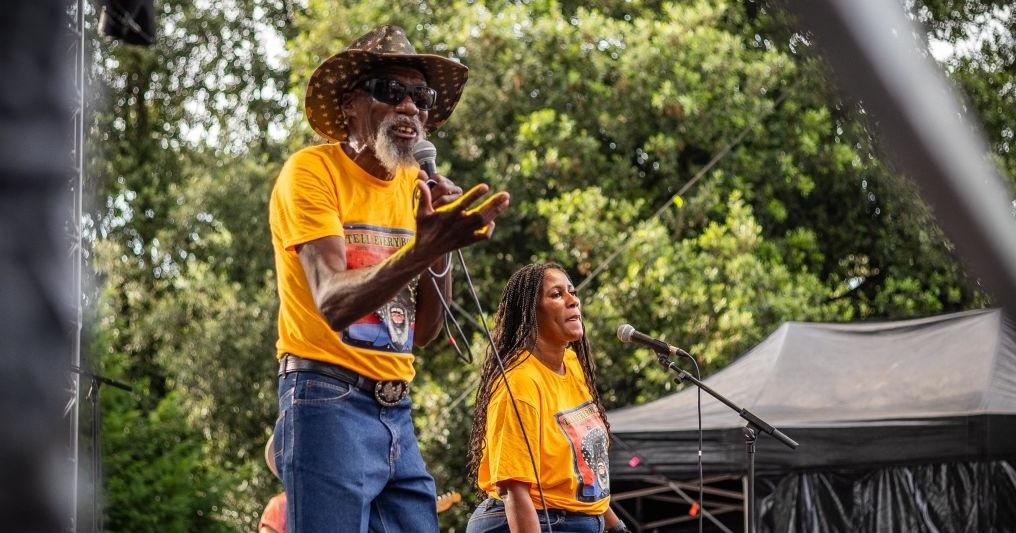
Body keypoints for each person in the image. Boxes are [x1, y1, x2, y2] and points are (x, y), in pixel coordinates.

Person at [268, 24, 510, 532]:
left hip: (396, 404)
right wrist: (423, 247)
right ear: (352, 105)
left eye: (421, 97)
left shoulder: (412, 186)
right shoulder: (311, 172)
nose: (410, 108)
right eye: (390, 91)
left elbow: (420, 333)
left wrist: (438, 253)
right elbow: (333, 302)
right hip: (325, 394)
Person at [465, 263, 629, 533]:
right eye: (556, 294)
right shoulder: (519, 385)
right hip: (532, 522)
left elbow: (580, 476)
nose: (572, 300)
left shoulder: (572, 363)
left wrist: (615, 526)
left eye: (573, 292)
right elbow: (514, 493)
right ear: (530, 313)